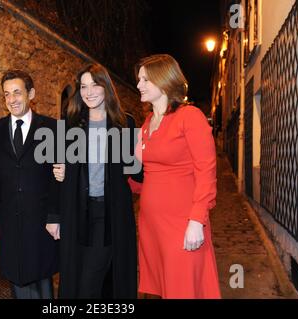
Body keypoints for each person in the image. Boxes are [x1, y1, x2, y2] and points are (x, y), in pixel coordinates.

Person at [135, 54, 221, 298]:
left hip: (181, 222)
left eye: (145, 79)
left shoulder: (189, 116)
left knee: (182, 287)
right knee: (165, 288)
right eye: (139, 79)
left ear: (163, 81)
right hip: (151, 224)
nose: (139, 85)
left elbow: (206, 170)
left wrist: (197, 220)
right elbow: (139, 173)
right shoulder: (147, 122)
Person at [57, 64, 139, 298]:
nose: (89, 91)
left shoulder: (125, 124)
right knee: (76, 273)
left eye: (95, 84)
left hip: (109, 213)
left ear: (107, 87)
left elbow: (135, 169)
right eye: (83, 86)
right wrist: (61, 171)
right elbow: (58, 165)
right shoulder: (70, 122)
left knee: (91, 280)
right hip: (77, 212)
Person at [0, 70, 63, 299]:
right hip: (9, 218)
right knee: (17, 276)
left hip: (41, 219)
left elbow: (58, 178)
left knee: (42, 277)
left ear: (31, 94)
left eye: (17, 93)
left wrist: (55, 216)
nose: (12, 100)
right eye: (7, 94)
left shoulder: (52, 128)